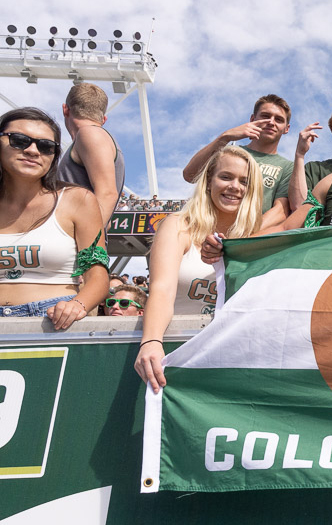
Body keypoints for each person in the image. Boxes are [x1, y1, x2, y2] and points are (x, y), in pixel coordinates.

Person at [134, 146, 263, 393]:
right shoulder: (178, 226)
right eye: (226, 177)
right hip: (173, 350)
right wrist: (151, 341)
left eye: (244, 181)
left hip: (230, 359)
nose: (235, 186)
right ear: (208, 182)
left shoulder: (255, 236)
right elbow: (161, 289)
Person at [0, 107, 109, 327]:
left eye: (46, 146)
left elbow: (97, 275)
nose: (32, 150)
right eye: (19, 140)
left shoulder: (78, 200)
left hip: (53, 321)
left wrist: (78, 305)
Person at [181, 94, 292, 229]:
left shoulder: (288, 167)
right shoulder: (229, 154)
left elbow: (280, 211)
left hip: (247, 240)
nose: (271, 122)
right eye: (265, 116)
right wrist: (225, 137)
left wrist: (243, 236)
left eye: (279, 119)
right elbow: (190, 175)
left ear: (286, 128)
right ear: (252, 119)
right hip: (208, 230)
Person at [57, 83, 126, 227]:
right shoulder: (93, 137)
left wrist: (87, 243)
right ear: (103, 119)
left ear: (65, 109)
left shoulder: (90, 134)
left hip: (76, 244)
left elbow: (107, 194)